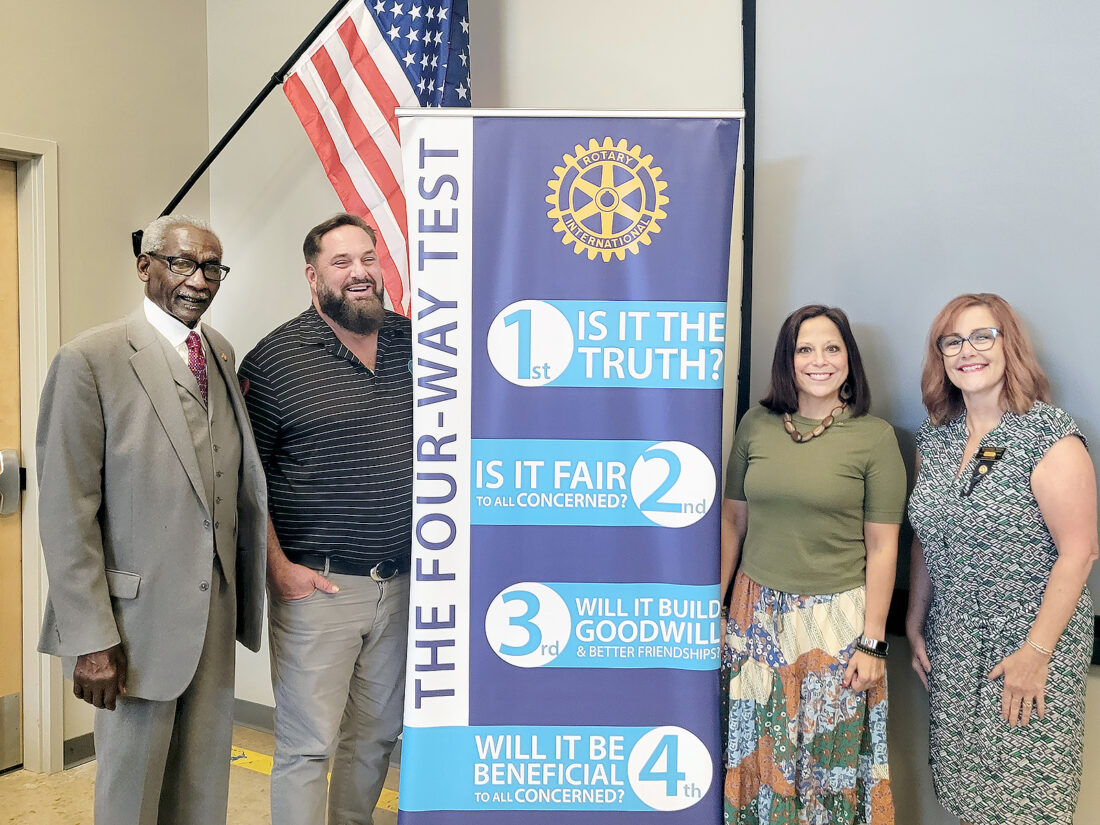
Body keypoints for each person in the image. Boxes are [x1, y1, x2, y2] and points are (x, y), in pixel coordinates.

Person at [36, 215, 268, 825]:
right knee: (131, 796)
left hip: (213, 615)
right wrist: (90, 638)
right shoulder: (90, 359)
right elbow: (66, 512)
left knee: (201, 787)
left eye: (212, 267)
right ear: (146, 266)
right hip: (132, 628)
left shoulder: (218, 352)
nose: (199, 280)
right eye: (183, 263)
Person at [239, 213, 412, 825]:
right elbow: (243, 480)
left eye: (367, 258)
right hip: (318, 587)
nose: (359, 273)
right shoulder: (274, 361)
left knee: (376, 738)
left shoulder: (418, 344)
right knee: (308, 746)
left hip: (404, 586)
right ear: (313, 277)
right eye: (342, 263)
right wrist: (277, 568)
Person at [906, 293, 1097, 825]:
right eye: (953, 341)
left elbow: (1080, 552)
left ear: (1009, 345)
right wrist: (915, 619)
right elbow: (925, 535)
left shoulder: (1049, 435)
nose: (967, 351)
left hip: (1029, 647)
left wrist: (1035, 655)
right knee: (968, 800)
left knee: (1025, 804)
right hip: (954, 644)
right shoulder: (935, 438)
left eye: (982, 336)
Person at [720, 304, 905, 824]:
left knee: (828, 769)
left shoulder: (874, 437)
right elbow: (732, 521)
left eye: (832, 348)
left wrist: (873, 642)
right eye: (805, 349)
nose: (819, 361)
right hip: (754, 615)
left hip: (837, 624)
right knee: (758, 760)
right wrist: (715, 605)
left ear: (849, 359)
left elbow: (883, 546)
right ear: (788, 359)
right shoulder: (755, 425)